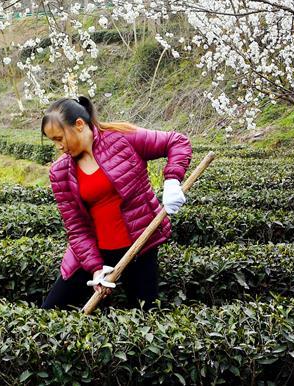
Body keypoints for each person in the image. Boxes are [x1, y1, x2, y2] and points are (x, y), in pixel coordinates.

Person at [39, 96, 192, 310]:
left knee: (144, 315)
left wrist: (173, 180)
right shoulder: (60, 172)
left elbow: (176, 142)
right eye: (53, 141)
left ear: (80, 125)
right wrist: (95, 268)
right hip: (95, 254)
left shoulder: (122, 139)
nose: (58, 146)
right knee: (51, 310)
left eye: (59, 138)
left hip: (139, 248)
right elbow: (77, 228)